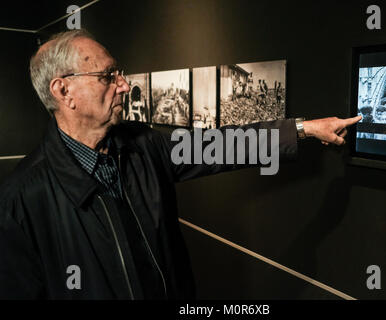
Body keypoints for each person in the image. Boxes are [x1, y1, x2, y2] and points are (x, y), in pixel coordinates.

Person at [0, 29, 361, 300]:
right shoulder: (21, 199)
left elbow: (225, 146)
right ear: (64, 92)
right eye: (108, 76)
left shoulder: (144, 145)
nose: (125, 85)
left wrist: (306, 129)